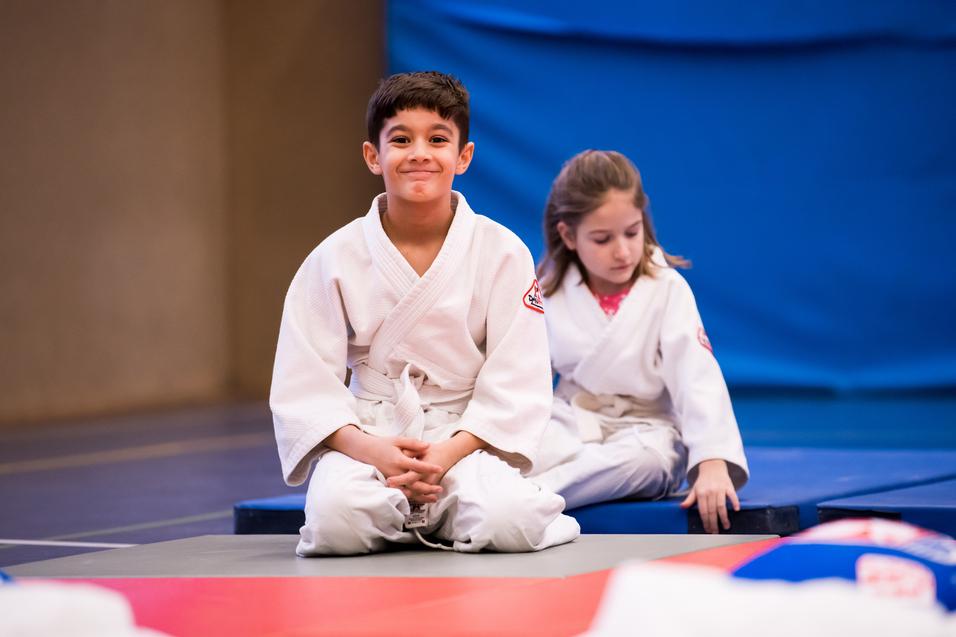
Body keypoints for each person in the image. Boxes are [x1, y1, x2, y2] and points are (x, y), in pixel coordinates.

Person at [269, 71, 580, 555]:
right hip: (371, 431)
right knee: (336, 524)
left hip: (462, 435)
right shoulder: (333, 257)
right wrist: (374, 450)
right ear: (374, 156)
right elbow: (303, 382)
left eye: (437, 139)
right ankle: (431, 515)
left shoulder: (502, 252)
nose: (419, 152)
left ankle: (437, 509)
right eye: (400, 139)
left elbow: (517, 376)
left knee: (510, 521)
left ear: (463, 156)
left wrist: (444, 454)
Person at [531, 149, 749, 534]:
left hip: (647, 432)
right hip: (571, 420)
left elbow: (696, 375)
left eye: (633, 232)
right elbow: (524, 379)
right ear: (568, 235)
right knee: (519, 452)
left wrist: (712, 459)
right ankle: (508, 485)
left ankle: (529, 498)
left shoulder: (667, 289)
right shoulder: (549, 292)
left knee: (644, 463)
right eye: (602, 239)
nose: (623, 250)